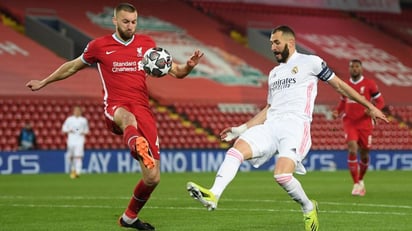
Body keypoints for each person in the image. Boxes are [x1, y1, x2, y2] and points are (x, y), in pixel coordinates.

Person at [186, 25, 388, 231]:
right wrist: (241, 128)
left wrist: (370, 106)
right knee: (236, 150)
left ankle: (308, 207)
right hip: (271, 125)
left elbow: (340, 86)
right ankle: (214, 194)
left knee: (281, 176)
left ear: (290, 43)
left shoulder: (311, 62)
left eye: (276, 43)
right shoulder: (274, 73)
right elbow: (269, 108)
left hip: (295, 126)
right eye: (271, 43)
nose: (272, 47)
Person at [26, 3, 203, 230]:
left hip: (143, 109)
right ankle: (136, 144)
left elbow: (176, 72)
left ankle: (128, 218)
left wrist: (188, 66)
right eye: (126, 21)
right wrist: (44, 82)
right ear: (115, 21)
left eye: (134, 22)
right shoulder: (99, 46)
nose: (131, 26)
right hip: (116, 107)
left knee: (153, 178)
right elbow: (71, 67)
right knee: (128, 119)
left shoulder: (147, 45)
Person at [332, 59, 385, 196]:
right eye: (352, 67)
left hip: (365, 123)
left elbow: (380, 101)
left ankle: (361, 180)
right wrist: (338, 111)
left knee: (365, 153)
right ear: (349, 69)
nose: (354, 69)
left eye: (357, 67)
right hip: (350, 122)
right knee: (352, 147)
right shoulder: (345, 85)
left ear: (361, 69)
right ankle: (356, 184)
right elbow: (343, 101)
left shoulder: (370, 84)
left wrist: (374, 110)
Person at [62, 106, 89, 179]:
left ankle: (78, 172)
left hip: (80, 140)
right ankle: (73, 170)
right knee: (70, 156)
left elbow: (87, 130)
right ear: (73, 111)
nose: (77, 112)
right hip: (71, 140)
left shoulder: (83, 120)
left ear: (80, 112)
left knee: (78, 156)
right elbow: (63, 129)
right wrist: (69, 130)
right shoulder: (69, 119)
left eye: (78, 110)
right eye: (75, 110)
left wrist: (82, 132)